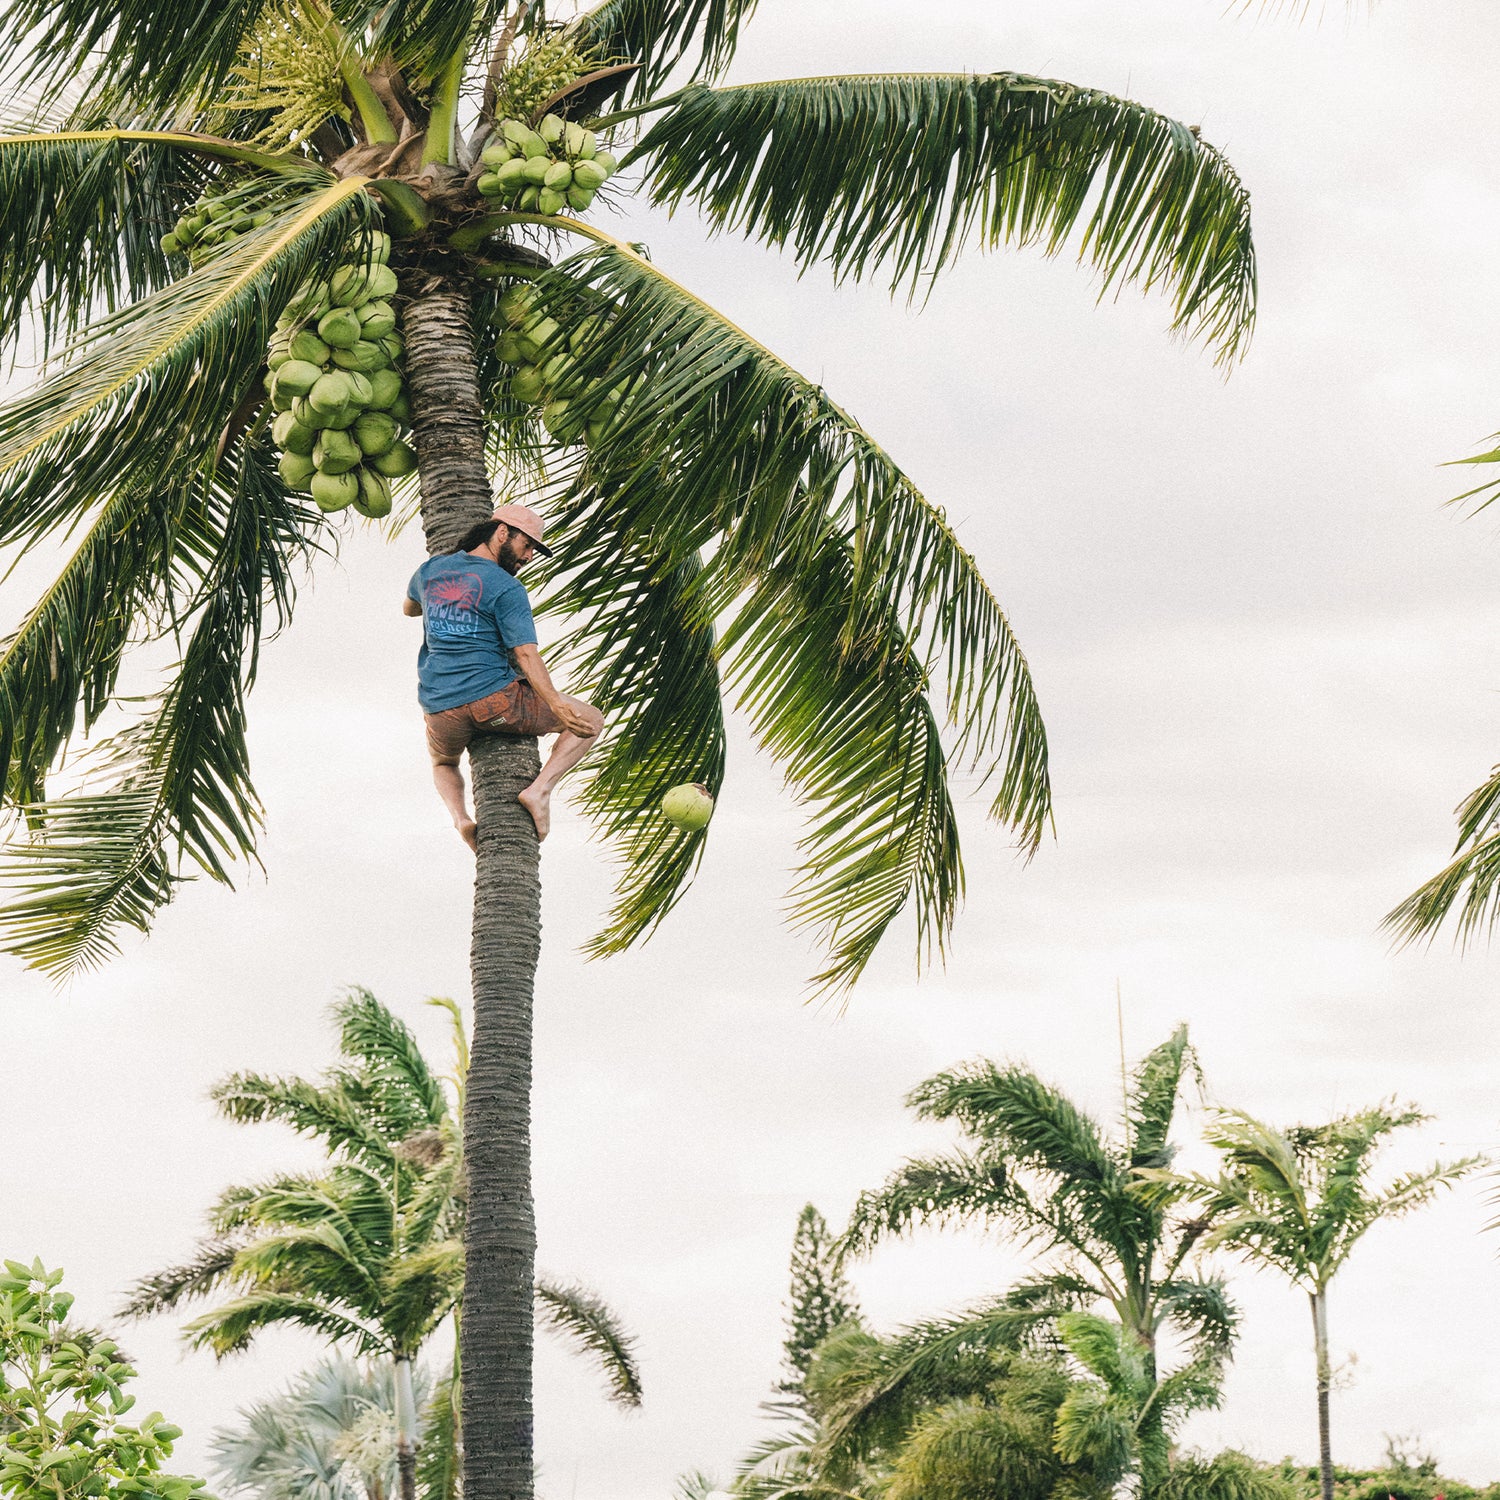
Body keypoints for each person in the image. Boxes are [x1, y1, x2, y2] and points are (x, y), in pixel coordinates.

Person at [403, 502, 602, 848]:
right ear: (502, 532)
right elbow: (526, 654)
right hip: (494, 704)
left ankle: (462, 819)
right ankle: (539, 791)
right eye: (526, 546)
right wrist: (555, 704)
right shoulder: (506, 588)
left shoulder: (430, 571)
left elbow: (409, 608)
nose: (528, 557)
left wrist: (441, 602)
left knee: (444, 762)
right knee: (591, 721)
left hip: (440, 709)